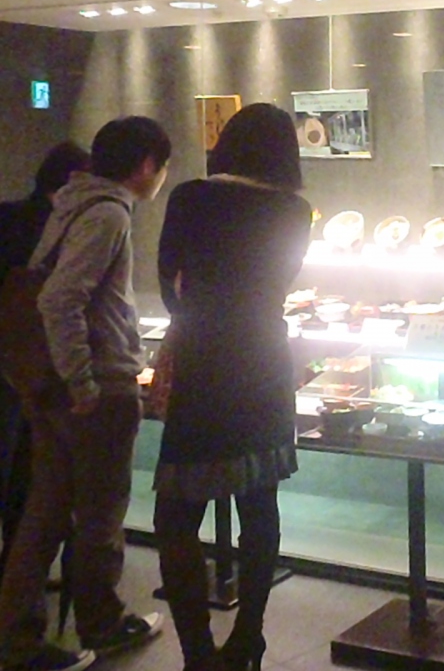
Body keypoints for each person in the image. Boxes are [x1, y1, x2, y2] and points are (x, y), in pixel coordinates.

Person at [0, 118, 171, 671]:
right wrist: (83, 382)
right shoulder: (109, 213)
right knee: (99, 514)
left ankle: (17, 639)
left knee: (44, 514)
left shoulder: (71, 204)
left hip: (49, 383)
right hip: (93, 385)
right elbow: (60, 299)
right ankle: (101, 623)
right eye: (162, 166)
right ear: (146, 165)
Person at [153, 104, 312, 671]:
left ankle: (199, 655)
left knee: (175, 517)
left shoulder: (191, 197)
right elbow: (278, 282)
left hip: (206, 360)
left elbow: (169, 282)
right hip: (265, 359)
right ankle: (249, 637)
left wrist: (192, 314)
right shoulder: (296, 211)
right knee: (259, 504)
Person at [0, 143, 92, 578]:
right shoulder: (62, 231)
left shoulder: (8, 216)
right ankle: (18, 579)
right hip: (35, 367)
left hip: (11, 361)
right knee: (29, 474)